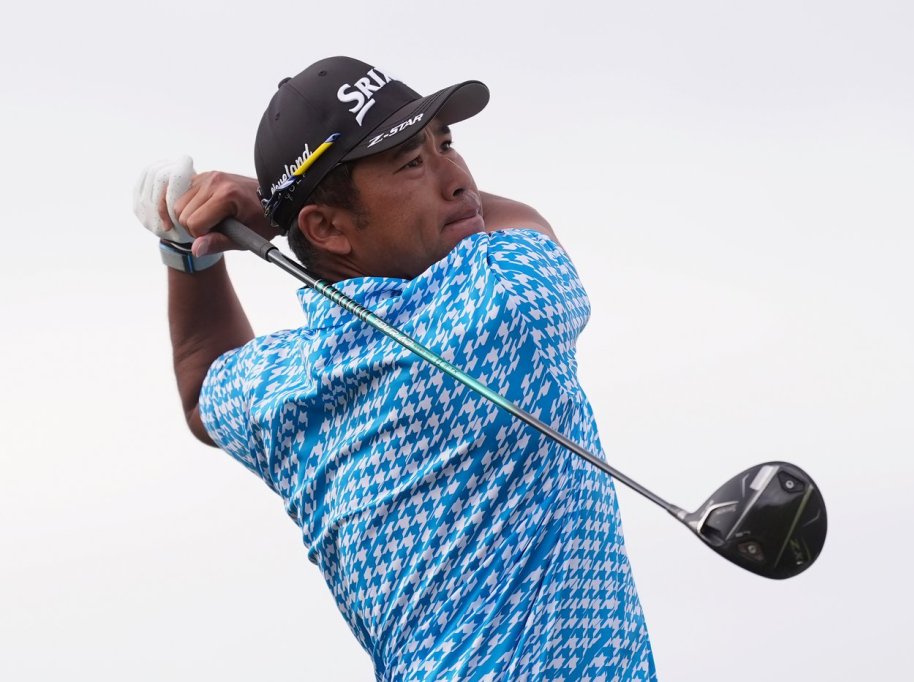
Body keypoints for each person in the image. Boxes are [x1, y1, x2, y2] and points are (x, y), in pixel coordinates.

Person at [133, 56, 657, 680]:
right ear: (326, 229)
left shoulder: (280, 385)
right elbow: (525, 223)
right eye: (411, 163)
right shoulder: (504, 303)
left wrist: (187, 251)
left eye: (446, 145)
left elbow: (202, 389)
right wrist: (267, 206)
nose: (458, 180)